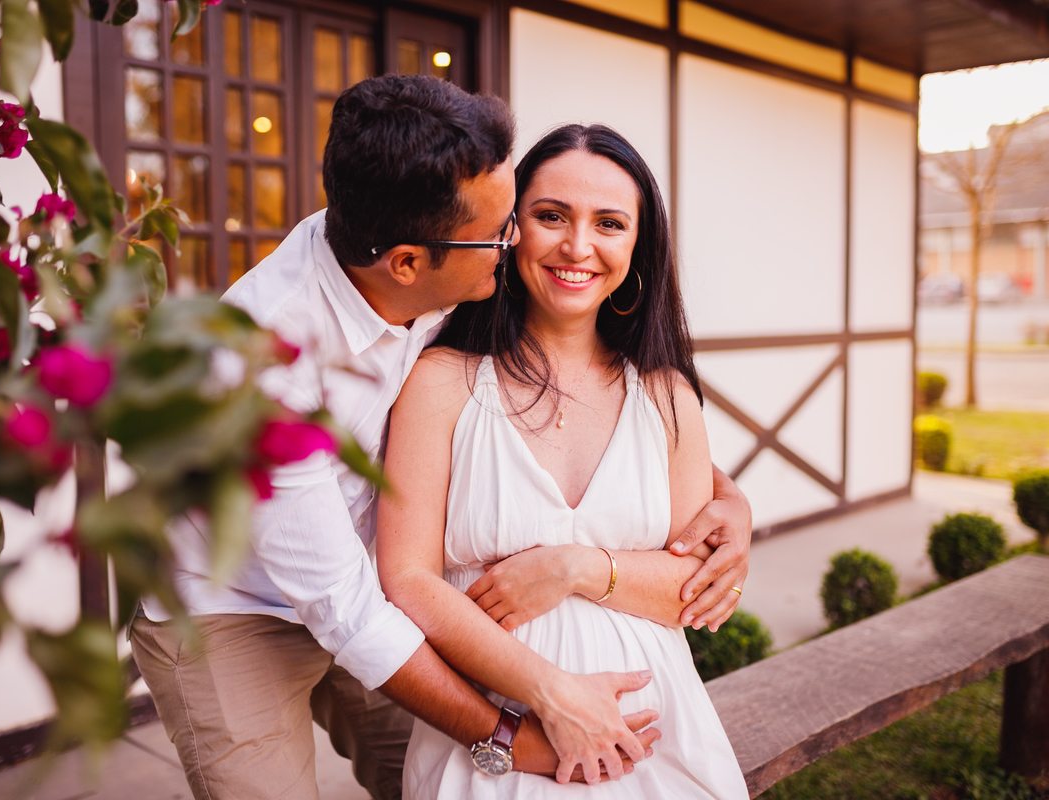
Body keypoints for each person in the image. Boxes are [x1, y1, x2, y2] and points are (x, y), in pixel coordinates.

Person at [130, 77, 751, 800]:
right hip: (235, 605)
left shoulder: (418, 244)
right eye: (504, 230)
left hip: (378, 581)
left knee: (429, 774)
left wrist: (727, 500)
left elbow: (633, 435)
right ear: (406, 263)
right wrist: (517, 733)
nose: (517, 242)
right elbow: (349, 610)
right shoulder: (260, 371)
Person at [376, 123, 750, 798]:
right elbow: (407, 579)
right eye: (551, 216)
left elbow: (692, 586)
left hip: (651, 738)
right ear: (512, 227)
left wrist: (575, 569)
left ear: (638, 248)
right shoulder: (442, 380)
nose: (577, 246)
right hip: (501, 737)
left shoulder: (667, 395)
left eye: (609, 223)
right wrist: (550, 699)